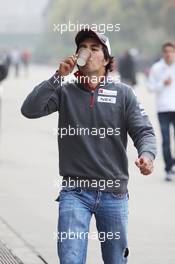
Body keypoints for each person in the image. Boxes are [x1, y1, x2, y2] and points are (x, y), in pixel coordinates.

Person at [21, 29, 157, 264]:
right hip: (75, 192)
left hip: (114, 193)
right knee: (70, 260)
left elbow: (144, 131)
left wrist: (147, 155)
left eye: (95, 49)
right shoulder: (64, 91)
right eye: (83, 47)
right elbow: (29, 109)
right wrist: (57, 76)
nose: (87, 52)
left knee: (116, 260)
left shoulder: (123, 93)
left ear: (106, 60)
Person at [148, 42, 175, 181]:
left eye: (171, 51)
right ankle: (168, 169)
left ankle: (172, 162)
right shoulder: (156, 68)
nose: (169, 54)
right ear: (163, 53)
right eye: (166, 51)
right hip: (163, 109)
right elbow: (150, 87)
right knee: (166, 141)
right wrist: (162, 84)